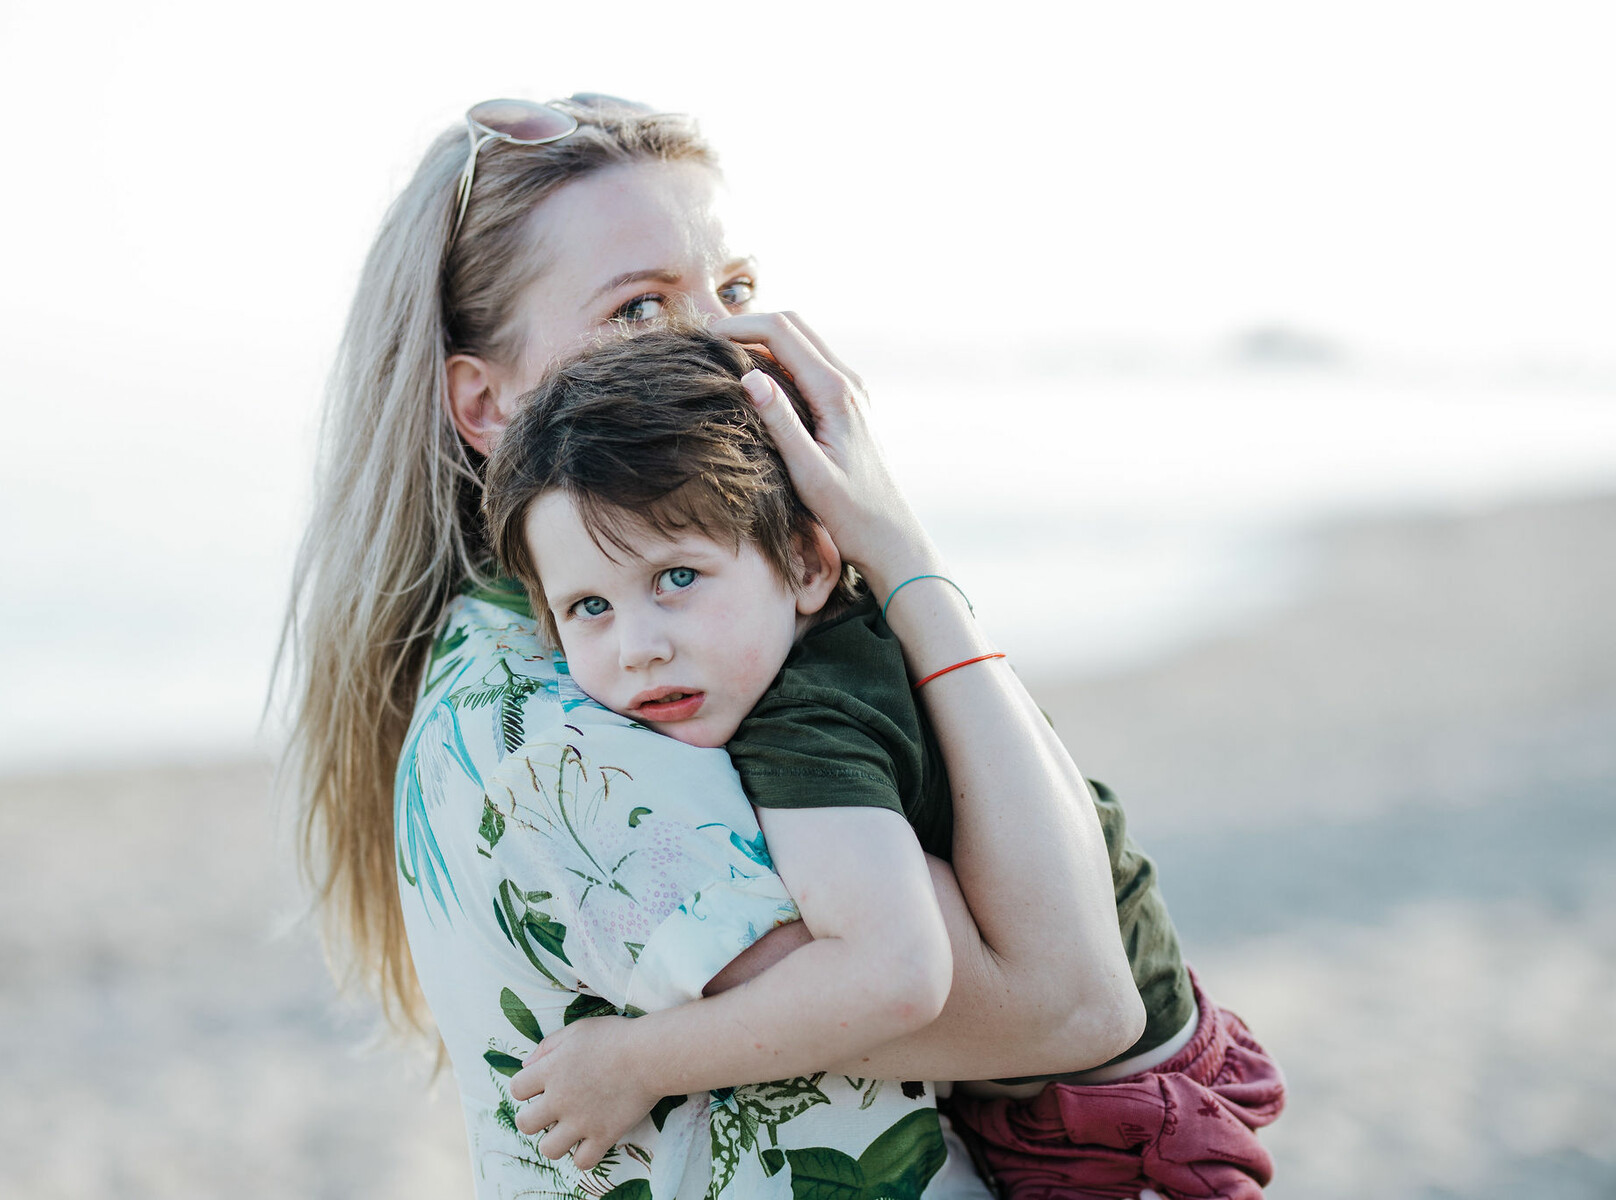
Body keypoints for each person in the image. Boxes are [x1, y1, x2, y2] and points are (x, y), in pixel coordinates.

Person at [282, 94, 1144, 1200]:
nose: (734, 357)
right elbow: (1077, 1005)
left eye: (732, 292)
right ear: (485, 402)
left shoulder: (640, 655)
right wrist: (902, 556)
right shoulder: (580, 741)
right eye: (640, 310)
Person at [482, 323, 1287, 1199]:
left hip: (1107, 1121)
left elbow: (894, 974)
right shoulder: (849, 642)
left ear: (806, 562)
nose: (639, 646)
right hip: (1152, 1052)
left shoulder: (805, 717)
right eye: (589, 605)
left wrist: (638, 1061)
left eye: (678, 578)